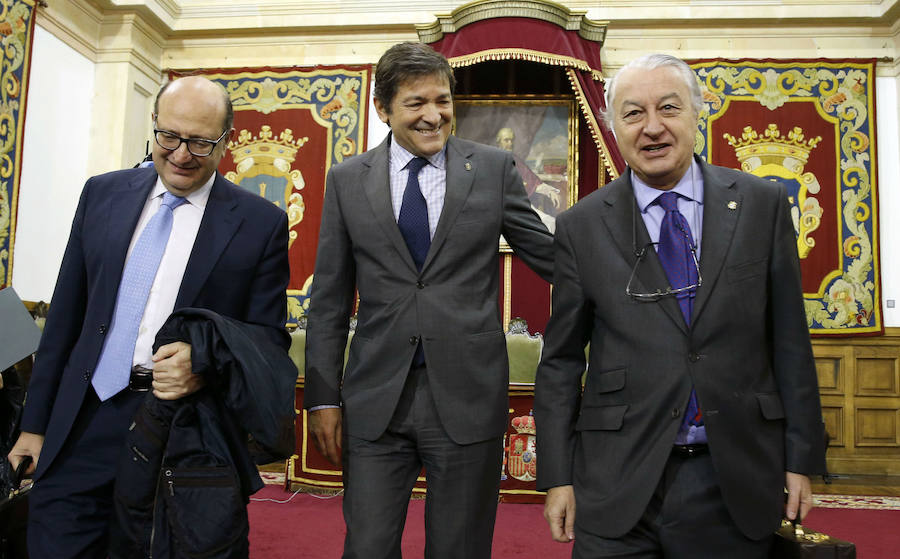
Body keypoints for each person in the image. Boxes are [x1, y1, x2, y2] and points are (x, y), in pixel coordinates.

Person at [534, 53, 826, 558]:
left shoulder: (761, 205)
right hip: (616, 479)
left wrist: (801, 458)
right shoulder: (581, 226)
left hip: (733, 473)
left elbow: (790, 343)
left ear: (697, 112)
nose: (652, 128)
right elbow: (560, 363)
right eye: (632, 114)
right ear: (613, 127)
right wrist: (558, 477)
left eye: (668, 108)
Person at [7, 76, 290, 558]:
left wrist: (202, 360)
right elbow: (66, 320)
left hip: (178, 430)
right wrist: (34, 426)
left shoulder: (259, 223)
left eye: (201, 142)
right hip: (82, 418)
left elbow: (266, 341)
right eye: (170, 136)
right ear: (154, 126)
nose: (181, 154)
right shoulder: (102, 195)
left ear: (227, 140)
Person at [303, 41, 554, 559]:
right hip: (376, 403)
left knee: (460, 548)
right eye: (416, 103)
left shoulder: (492, 168)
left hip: (467, 396)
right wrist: (324, 398)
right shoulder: (348, 182)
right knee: (367, 548)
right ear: (384, 109)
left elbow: (550, 256)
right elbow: (328, 300)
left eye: (442, 100)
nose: (433, 115)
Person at [494, 126, 561, 230]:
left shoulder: (515, 160)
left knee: (551, 224)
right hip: (497, 209)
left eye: (512, 140)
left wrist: (550, 192)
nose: (510, 143)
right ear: (498, 142)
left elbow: (532, 181)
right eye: (506, 140)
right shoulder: (491, 160)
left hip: (520, 206)